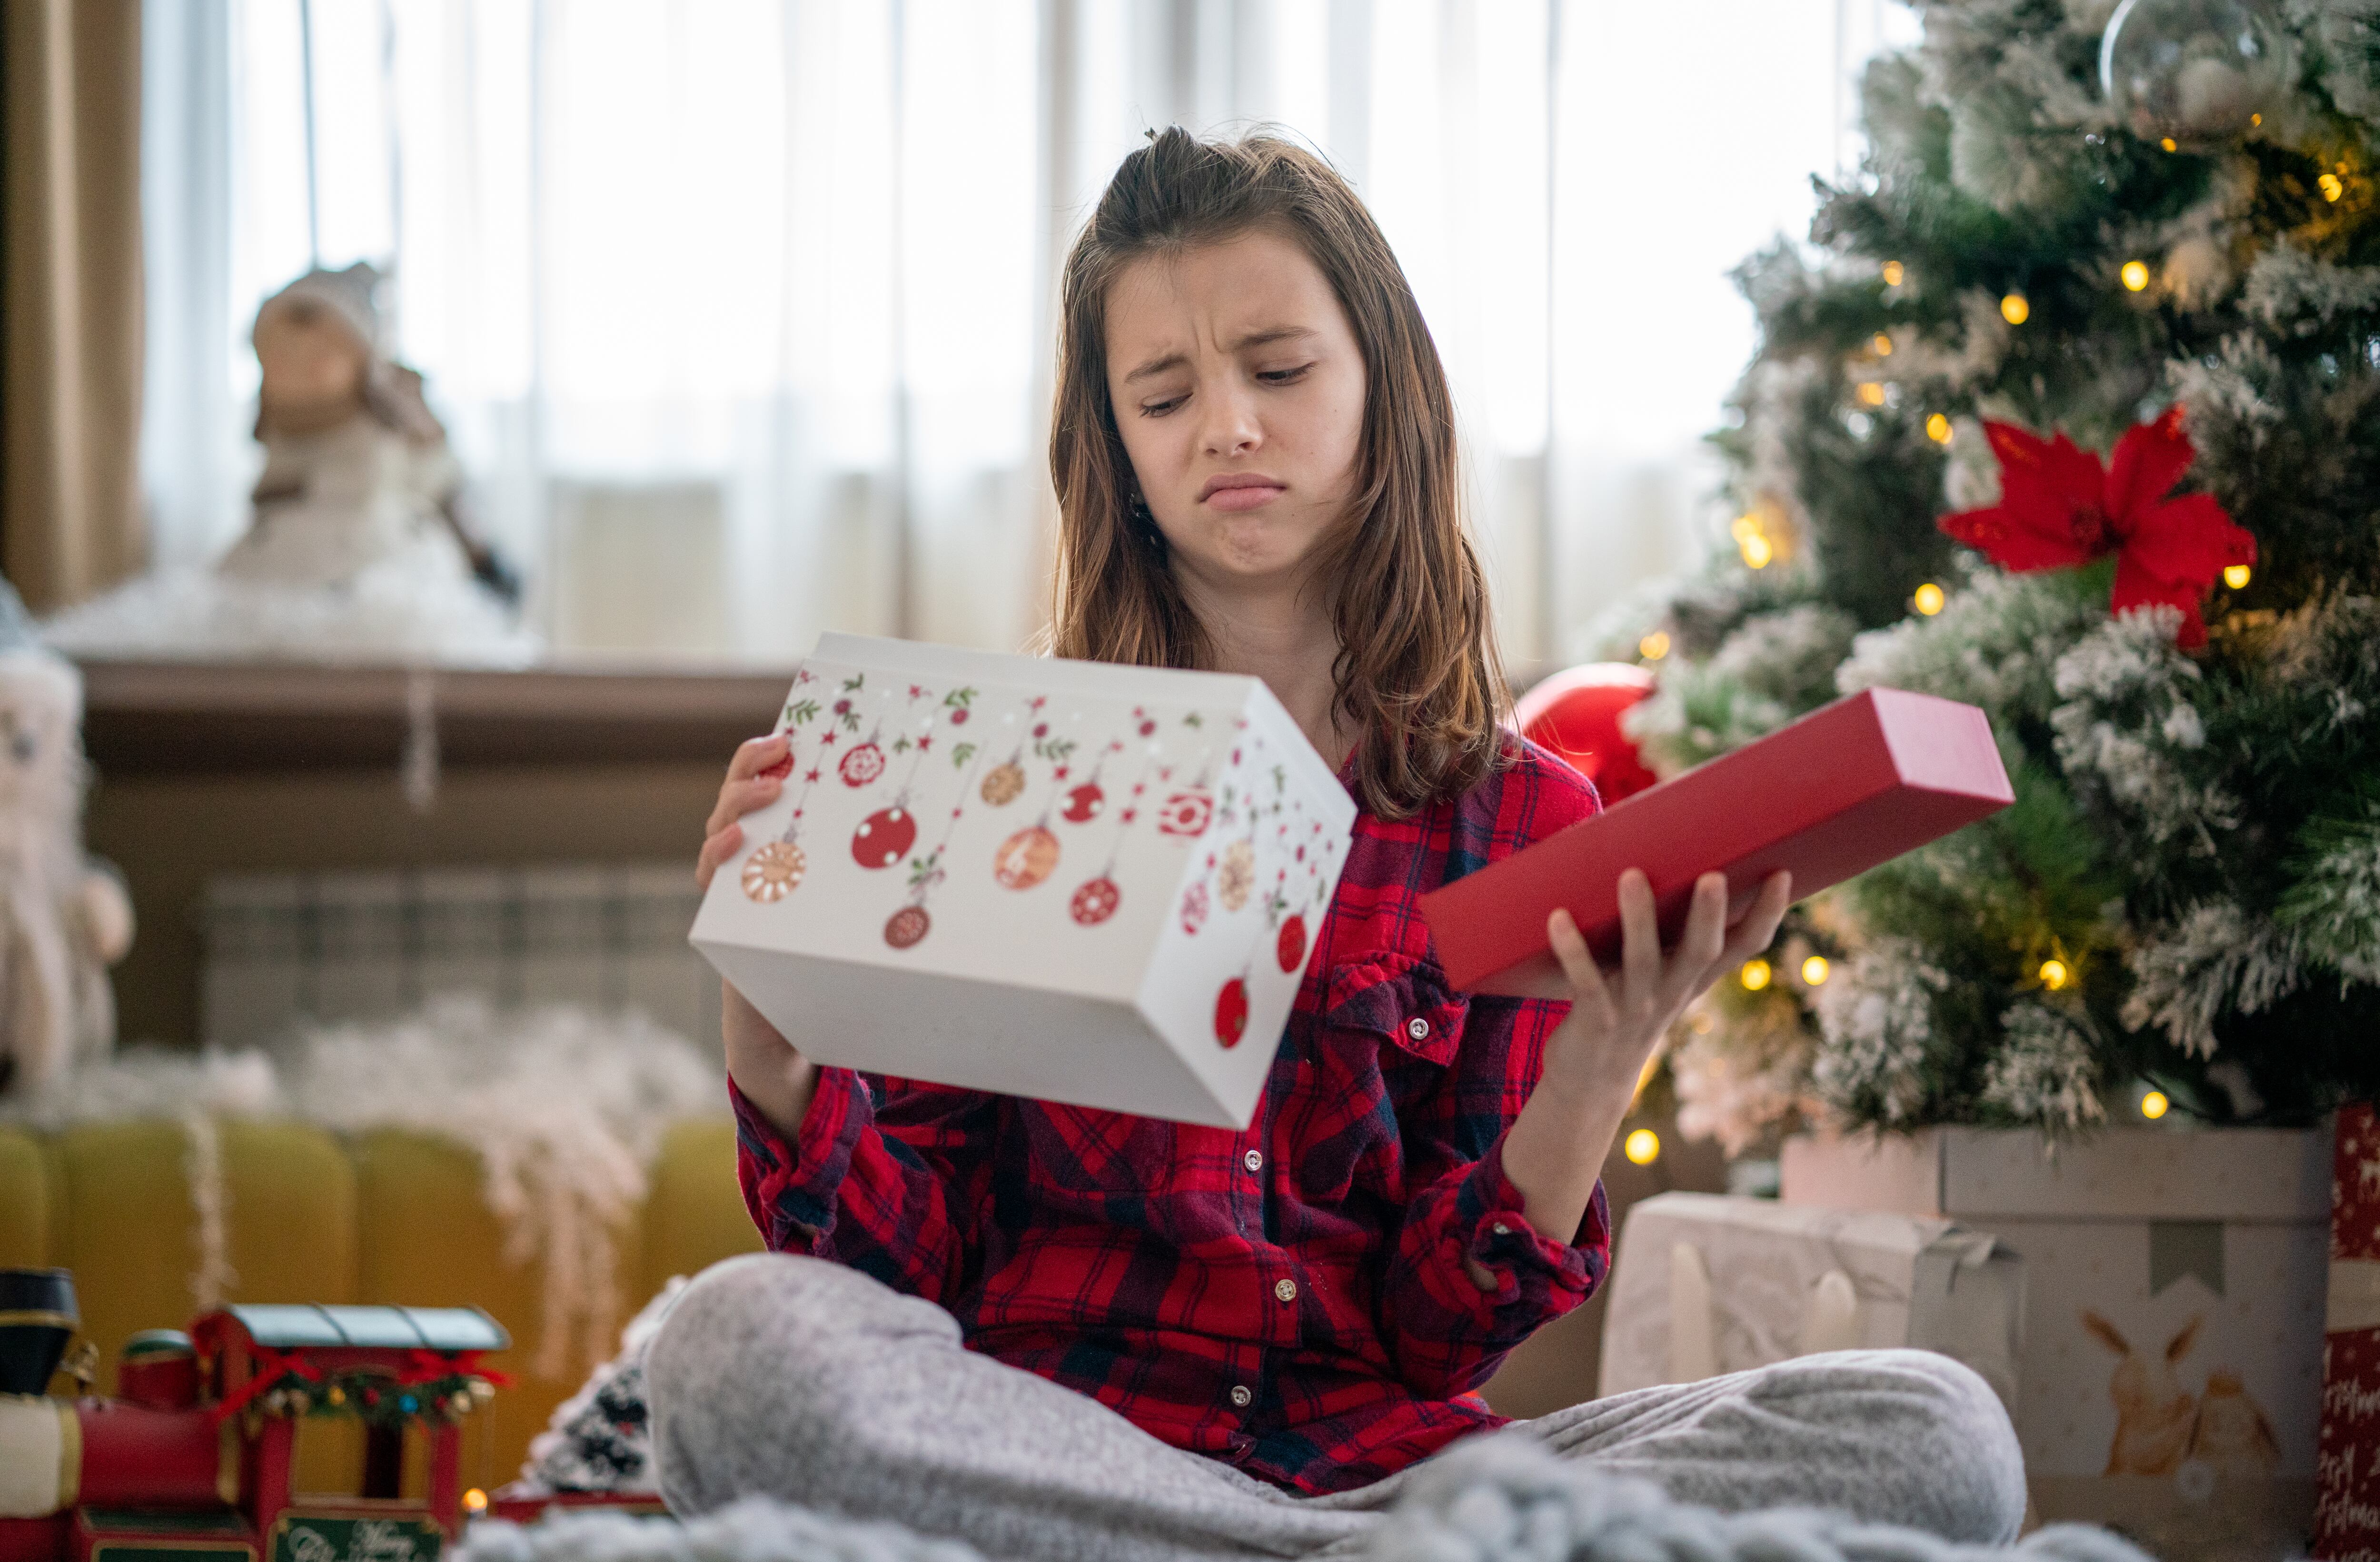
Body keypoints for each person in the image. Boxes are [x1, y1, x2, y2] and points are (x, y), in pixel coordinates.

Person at [649, 129, 2025, 1561]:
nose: (1227, 427)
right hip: (1071, 1445)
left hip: (1394, 1476)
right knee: (729, 1351)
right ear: (1116, 449)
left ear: (1385, 390)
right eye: (1165, 394)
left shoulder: (1526, 819)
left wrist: (1600, 1062)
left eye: (1279, 370)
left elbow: (1439, 1339)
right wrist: (776, 1050)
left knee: (1937, 1430)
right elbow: (901, 1280)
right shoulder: (1012, 770)